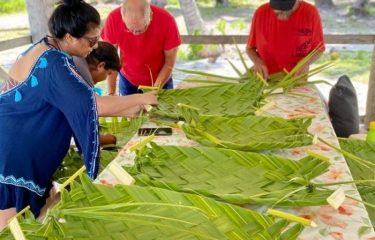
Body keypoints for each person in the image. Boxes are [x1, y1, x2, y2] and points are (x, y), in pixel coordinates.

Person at [0, 0, 157, 230]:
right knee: (10, 224)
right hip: (14, 147)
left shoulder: (48, 48)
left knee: (24, 218)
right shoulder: (53, 62)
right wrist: (142, 98)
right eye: (92, 41)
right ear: (71, 37)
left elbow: (76, 102)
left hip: (17, 139)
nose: (94, 47)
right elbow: (88, 105)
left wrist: (128, 107)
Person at [101, 0, 181, 96]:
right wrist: (111, 93)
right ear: (122, 18)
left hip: (160, 79)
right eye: (129, 29)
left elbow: (169, 62)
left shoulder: (167, 20)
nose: (134, 34)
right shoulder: (113, 19)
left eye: (139, 30)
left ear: (150, 16)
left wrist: (155, 90)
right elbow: (110, 59)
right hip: (128, 79)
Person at [246, 0, 325, 80]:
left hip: (295, 78)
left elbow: (319, 49)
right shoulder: (261, 13)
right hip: (265, 76)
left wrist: (306, 62)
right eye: (277, 13)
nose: (282, 18)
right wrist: (257, 62)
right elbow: (250, 48)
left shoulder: (310, 13)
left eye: (287, 13)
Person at [74, 41, 122, 146]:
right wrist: (113, 139)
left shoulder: (74, 65)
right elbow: (84, 138)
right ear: (101, 66)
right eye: (108, 73)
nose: (106, 78)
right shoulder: (79, 84)